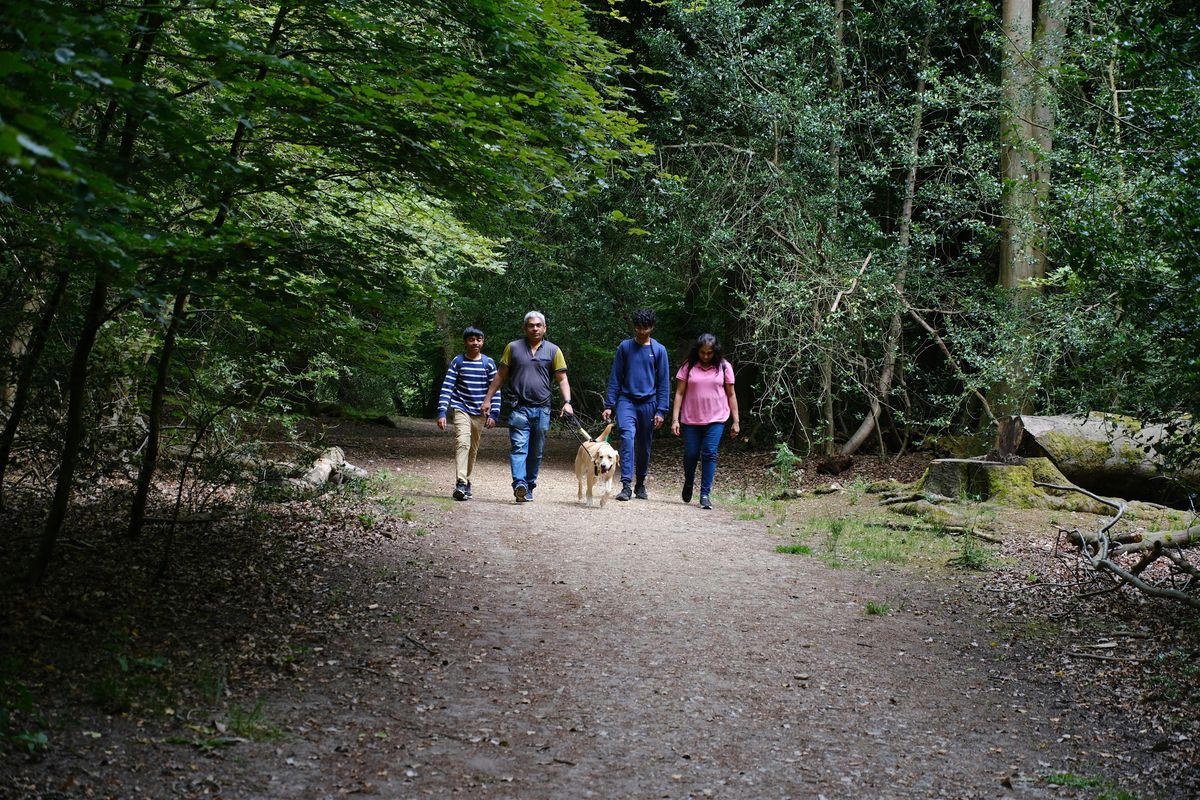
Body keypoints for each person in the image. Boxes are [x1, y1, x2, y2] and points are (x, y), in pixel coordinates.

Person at [481, 311, 573, 502]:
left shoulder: (554, 351)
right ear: (525, 328)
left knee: (536, 452)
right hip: (518, 408)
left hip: (543, 409)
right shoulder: (513, 348)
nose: (535, 328)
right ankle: (520, 484)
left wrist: (567, 402)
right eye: (531, 325)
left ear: (545, 328)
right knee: (519, 447)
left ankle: (529, 486)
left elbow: (562, 379)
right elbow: (500, 375)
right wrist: (487, 399)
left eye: (539, 325)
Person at [602, 308, 670, 501]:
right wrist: (609, 404)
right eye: (639, 328)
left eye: (646, 328)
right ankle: (625, 485)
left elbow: (664, 382)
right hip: (626, 401)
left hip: (649, 402)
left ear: (652, 328)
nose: (642, 332)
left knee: (644, 445)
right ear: (635, 327)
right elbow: (616, 376)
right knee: (627, 438)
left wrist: (661, 410)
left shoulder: (658, 350)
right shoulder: (625, 347)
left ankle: (640, 483)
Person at [671, 333, 740, 510]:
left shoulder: (724, 367)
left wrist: (736, 421)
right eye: (703, 352)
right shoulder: (688, 366)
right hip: (691, 419)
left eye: (709, 353)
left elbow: (731, 394)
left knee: (709, 453)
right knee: (691, 454)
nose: (706, 356)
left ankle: (705, 494)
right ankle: (689, 481)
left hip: (716, 418)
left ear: (715, 352)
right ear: (698, 351)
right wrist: (675, 419)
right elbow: (679, 393)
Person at [436, 326, 501, 501]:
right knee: (462, 444)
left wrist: (494, 414)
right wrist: (442, 411)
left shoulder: (488, 363)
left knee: (472, 449)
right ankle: (461, 483)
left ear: (483, 342)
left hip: (480, 412)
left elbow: (495, 389)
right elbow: (447, 387)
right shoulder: (458, 362)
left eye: (478, 339)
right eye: (471, 339)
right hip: (461, 408)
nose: (475, 343)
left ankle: (467, 480)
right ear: (465, 342)